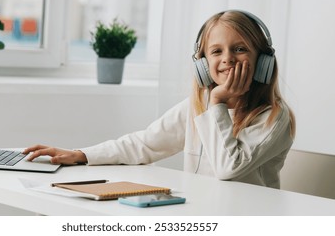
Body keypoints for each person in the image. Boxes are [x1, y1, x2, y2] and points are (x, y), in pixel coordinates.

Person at [23, 10, 296, 189]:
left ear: (263, 61)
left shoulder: (273, 117)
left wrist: (218, 103)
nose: (227, 59)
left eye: (239, 49)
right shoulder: (198, 106)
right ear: (202, 64)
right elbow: (145, 143)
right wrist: (82, 154)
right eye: (216, 51)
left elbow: (228, 169)